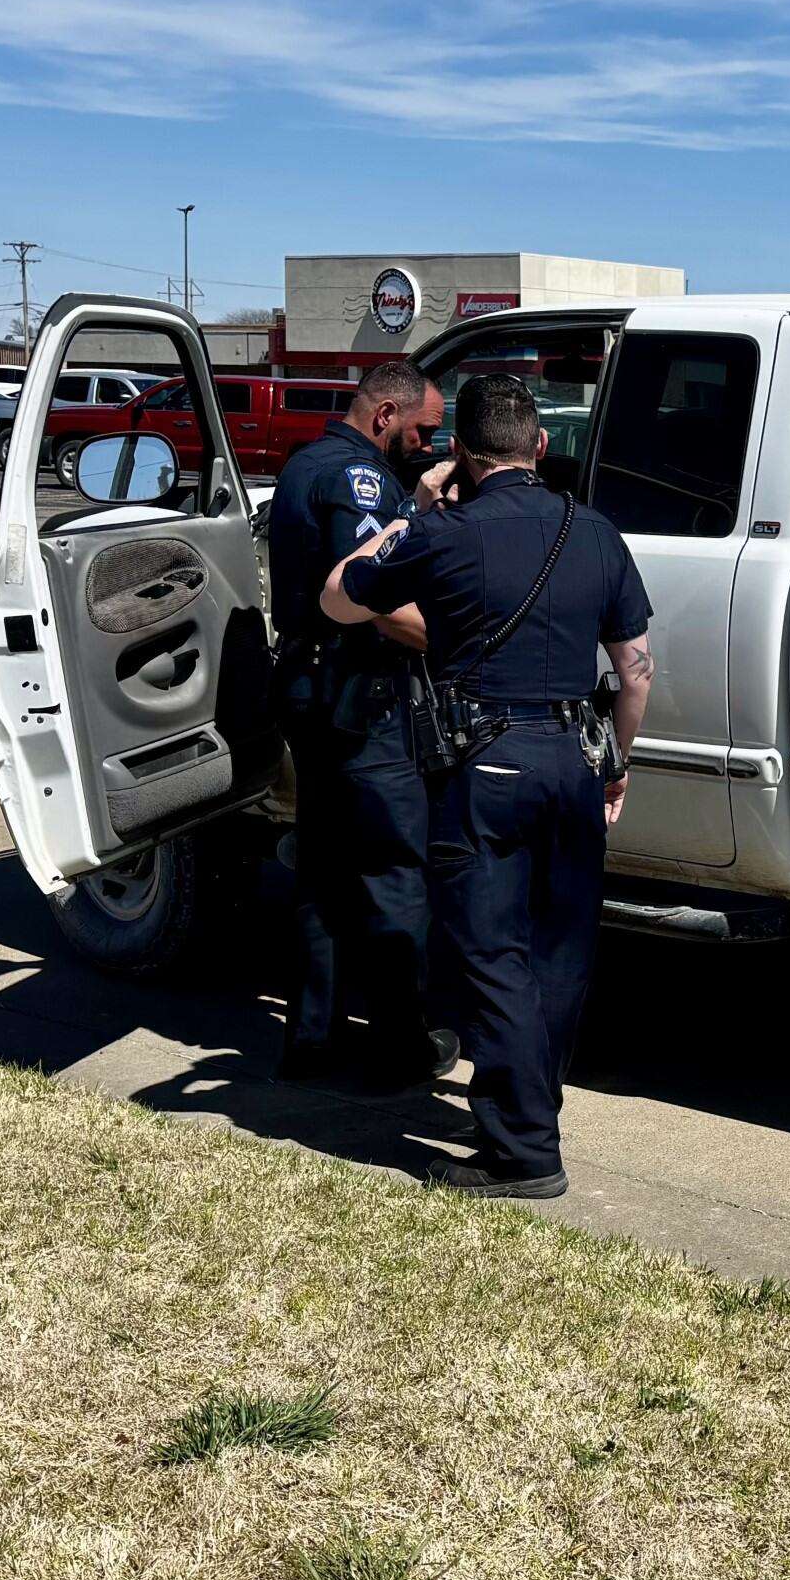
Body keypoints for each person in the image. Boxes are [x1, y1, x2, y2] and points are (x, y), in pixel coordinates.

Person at [323, 372, 653, 1198]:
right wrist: (616, 763)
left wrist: (415, 506)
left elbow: (336, 599)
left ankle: (524, 1154)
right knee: (562, 954)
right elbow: (636, 672)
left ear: (460, 454)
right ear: (540, 445)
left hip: (484, 769)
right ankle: (527, 1115)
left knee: (490, 955)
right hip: (575, 763)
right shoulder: (598, 532)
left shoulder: (443, 532)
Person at [266, 358, 457, 1090]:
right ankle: (401, 1045)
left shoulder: (305, 464)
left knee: (323, 871)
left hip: (313, 693)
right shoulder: (362, 480)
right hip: (360, 697)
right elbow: (367, 586)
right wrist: (455, 640)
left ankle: (311, 1041)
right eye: (421, 432)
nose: (429, 445)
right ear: (384, 417)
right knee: (392, 873)